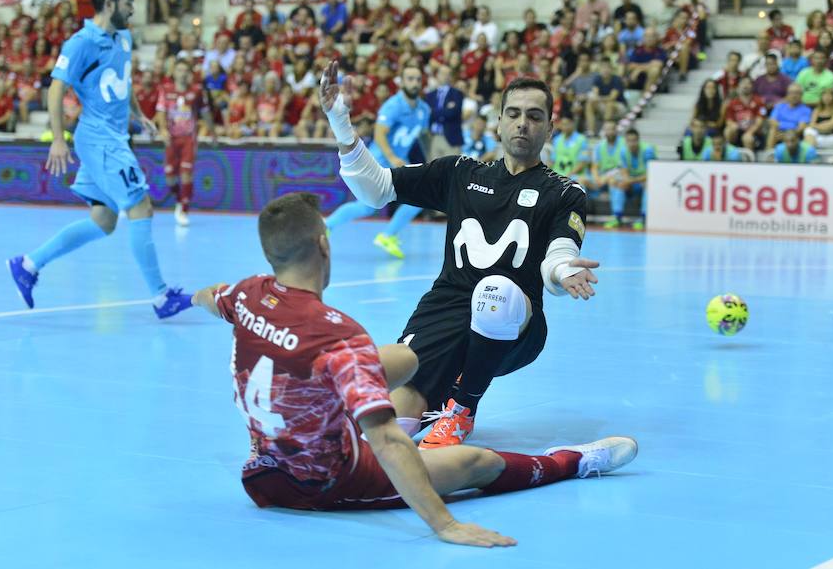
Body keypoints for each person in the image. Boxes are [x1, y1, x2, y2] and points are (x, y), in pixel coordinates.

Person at [191, 192, 638, 545]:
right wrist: (444, 525)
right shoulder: (336, 335)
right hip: (323, 482)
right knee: (473, 461)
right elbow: (386, 441)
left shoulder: (247, 294)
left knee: (401, 359)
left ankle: (409, 403)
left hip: (261, 475)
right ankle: (575, 461)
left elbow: (209, 296)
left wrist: (217, 305)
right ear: (323, 245)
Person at [320, 61, 600, 448]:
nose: (523, 124)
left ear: (549, 129)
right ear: (498, 122)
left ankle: (462, 408)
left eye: (535, 117)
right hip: (446, 308)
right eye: (514, 114)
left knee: (495, 290)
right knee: (389, 433)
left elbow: (559, 252)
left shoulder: (565, 192)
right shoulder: (460, 173)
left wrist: (563, 270)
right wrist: (340, 123)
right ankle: (432, 402)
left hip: (515, 324)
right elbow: (376, 188)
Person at [6, 0, 192, 318]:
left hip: (114, 136)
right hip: (99, 140)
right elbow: (56, 90)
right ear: (109, 5)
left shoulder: (122, 37)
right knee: (141, 208)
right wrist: (58, 139)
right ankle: (161, 297)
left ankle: (29, 265)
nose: (133, 9)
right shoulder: (80, 43)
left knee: (104, 220)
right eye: (128, 3)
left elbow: (124, 80)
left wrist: (137, 114)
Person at [325, 63, 430, 260]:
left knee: (420, 197)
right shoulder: (393, 105)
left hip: (399, 160)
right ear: (401, 82)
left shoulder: (424, 109)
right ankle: (328, 226)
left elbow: (422, 136)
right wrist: (391, 157)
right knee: (368, 206)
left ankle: (386, 235)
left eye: (418, 79)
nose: (415, 83)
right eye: (410, 79)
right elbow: (380, 133)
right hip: (381, 159)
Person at [155, 58, 215, 226]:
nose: (182, 73)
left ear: (189, 74)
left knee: (186, 174)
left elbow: (205, 113)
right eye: (179, 70)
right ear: (174, 72)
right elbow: (160, 111)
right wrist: (163, 129)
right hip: (171, 139)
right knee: (170, 179)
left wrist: (213, 132)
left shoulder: (196, 91)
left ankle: (184, 208)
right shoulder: (165, 90)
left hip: (188, 138)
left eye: (185, 70)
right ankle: (179, 199)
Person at [608, 128, 655, 231]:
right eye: (629, 141)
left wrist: (631, 181)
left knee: (648, 184)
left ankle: (643, 218)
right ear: (626, 141)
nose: (632, 143)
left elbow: (652, 173)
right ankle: (617, 216)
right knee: (616, 183)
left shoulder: (648, 150)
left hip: (644, 180)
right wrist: (626, 181)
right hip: (633, 182)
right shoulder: (624, 152)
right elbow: (624, 171)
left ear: (638, 140)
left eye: (634, 140)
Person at [425, 64, 465, 161]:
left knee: (451, 171)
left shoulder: (456, 93)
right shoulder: (430, 95)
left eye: (448, 74)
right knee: (433, 171)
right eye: (443, 73)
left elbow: (453, 113)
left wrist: (434, 111)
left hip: (451, 138)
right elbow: (427, 114)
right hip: (434, 137)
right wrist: (445, 110)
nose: (445, 76)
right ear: (437, 75)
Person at [724, 76, 767, 151]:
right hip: (738, 132)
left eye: (748, 83)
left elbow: (759, 122)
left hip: (754, 133)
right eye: (743, 83)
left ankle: (750, 160)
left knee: (747, 138)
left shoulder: (759, 101)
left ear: (752, 86)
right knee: (728, 131)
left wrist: (749, 133)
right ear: (738, 86)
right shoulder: (732, 103)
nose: (745, 85)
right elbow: (729, 120)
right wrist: (733, 125)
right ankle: (730, 157)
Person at [766, 83, 812, 150]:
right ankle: (769, 154)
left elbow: (801, 128)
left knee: (790, 137)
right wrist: (787, 131)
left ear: (801, 95)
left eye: (797, 93)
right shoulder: (780, 106)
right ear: (787, 94)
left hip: (795, 136)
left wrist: (786, 134)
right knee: (773, 130)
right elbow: (772, 121)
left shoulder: (806, 110)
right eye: (791, 93)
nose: (794, 95)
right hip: (779, 133)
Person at [549, 112, 589, 184]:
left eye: (567, 124)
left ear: (573, 123)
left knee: (579, 183)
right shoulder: (556, 140)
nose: (565, 127)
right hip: (557, 173)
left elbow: (582, 163)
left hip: (575, 175)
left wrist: (568, 175)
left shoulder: (581, 139)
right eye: (563, 124)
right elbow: (552, 161)